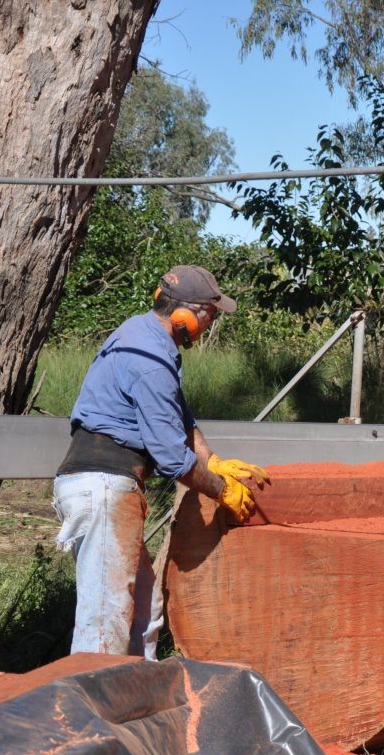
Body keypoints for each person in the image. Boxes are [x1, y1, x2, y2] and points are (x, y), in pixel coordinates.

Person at [52, 265, 269, 659]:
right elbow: (171, 458)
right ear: (189, 314)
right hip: (104, 486)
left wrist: (214, 462)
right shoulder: (150, 358)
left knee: (143, 608)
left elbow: (179, 418)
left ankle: (137, 699)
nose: (211, 324)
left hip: (111, 483)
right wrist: (223, 492)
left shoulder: (144, 334)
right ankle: (91, 713)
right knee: (106, 622)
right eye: (212, 315)